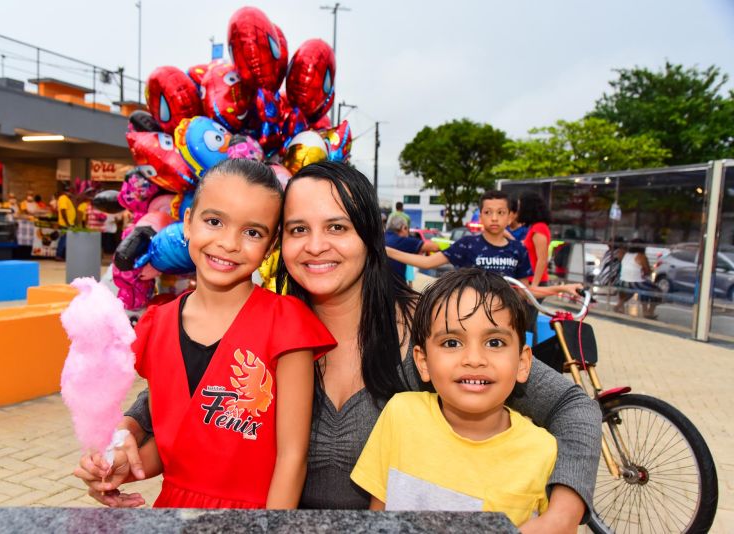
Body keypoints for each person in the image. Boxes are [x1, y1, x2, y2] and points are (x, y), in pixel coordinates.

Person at [79, 163, 600, 531]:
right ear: (278, 243)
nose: (316, 246)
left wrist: (562, 511)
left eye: (338, 227)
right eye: (298, 229)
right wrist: (126, 435)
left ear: (369, 236)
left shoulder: (435, 329)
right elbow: (185, 392)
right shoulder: (268, 326)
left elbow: (570, 405)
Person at [75, 159, 336, 509]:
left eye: (252, 232)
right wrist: (124, 466)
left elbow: (292, 459)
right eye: (214, 221)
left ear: (271, 245)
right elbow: (178, 448)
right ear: (187, 223)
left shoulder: (287, 323)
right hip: (173, 512)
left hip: (256, 517)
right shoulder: (156, 324)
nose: (228, 243)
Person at [351, 269, 558, 527]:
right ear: (423, 362)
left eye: (494, 343)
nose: (473, 359)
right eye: (451, 343)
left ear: (523, 362)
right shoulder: (400, 415)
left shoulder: (543, 451)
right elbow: (377, 515)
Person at [386, 190, 580, 299]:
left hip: (504, 325)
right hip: (468, 321)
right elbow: (427, 263)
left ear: (510, 216)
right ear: (481, 215)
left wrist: (562, 288)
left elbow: (525, 291)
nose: (494, 218)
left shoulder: (517, 250)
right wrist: (386, 251)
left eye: (501, 212)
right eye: (488, 212)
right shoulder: (467, 244)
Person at [384, 214, 439, 283]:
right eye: (408, 229)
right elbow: (434, 247)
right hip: (395, 289)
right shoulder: (401, 241)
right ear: (404, 228)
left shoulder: (381, 238)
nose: (408, 232)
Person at [615, 239, 660, 319]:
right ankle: (648, 311)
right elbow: (647, 272)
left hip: (622, 281)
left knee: (636, 289)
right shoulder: (641, 256)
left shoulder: (625, 254)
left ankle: (619, 305)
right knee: (657, 290)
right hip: (635, 282)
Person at [518, 192, 551, 289]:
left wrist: (534, 285)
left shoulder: (539, 228)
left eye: (520, 206)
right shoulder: (534, 227)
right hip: (530, 280)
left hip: (535, 281)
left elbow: (542, 259)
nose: (519, 210)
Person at [55, 185, 76, 260]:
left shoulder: (67, 198)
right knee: (63, 241)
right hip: (65, 224)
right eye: (70, 191)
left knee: (65, 241)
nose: (71, 193)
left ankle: (62, 255)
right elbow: (63, 211)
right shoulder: (63, 198)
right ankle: (59, 255)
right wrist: (67, 223)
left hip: (68, 224)